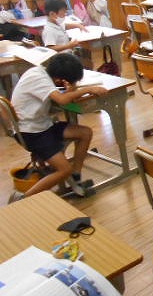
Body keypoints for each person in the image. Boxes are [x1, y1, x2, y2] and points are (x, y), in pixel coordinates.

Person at [9, 53, 108, 202]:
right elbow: (62, 100)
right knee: (64, 169)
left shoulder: (40, 72)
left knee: (85, 133)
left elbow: (61, 98)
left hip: (41, 127)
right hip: (31, 133)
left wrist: (70, 91)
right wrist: (89, 89)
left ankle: (75, 176)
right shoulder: (39, 79)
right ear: (60, 80)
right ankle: (22, 199)